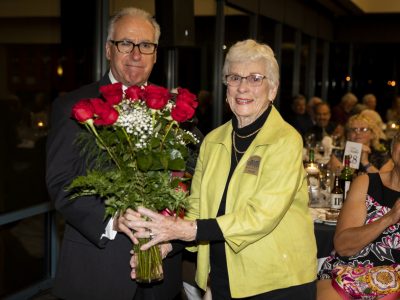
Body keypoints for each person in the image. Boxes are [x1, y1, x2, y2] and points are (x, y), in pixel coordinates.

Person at [119, 39, 317, 299]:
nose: (243, 87)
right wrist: (166, 244)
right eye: (234, 77)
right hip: (224, 275)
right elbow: (197, 208)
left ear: (273, 89)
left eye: (256, 78)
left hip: (277, 280)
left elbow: (261, 216)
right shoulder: (213, 140)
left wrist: (185, 230)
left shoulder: (286, 140)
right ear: (226, 88)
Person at [46, 7, 183, 300]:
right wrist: (113, 219)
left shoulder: (177, 111)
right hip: (96, 276)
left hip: (163, 277)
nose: (136, 54)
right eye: (125, 43)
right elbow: (61, 182)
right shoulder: (73, 106)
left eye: (146, 45)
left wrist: (172, 236)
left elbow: (190, 184)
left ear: (156, 54)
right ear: (109, 50)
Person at [317, 132, 400, 299]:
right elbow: (343, 246)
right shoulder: (367, 183)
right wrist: (389, 218)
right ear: (393, 148)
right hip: (346, 273)